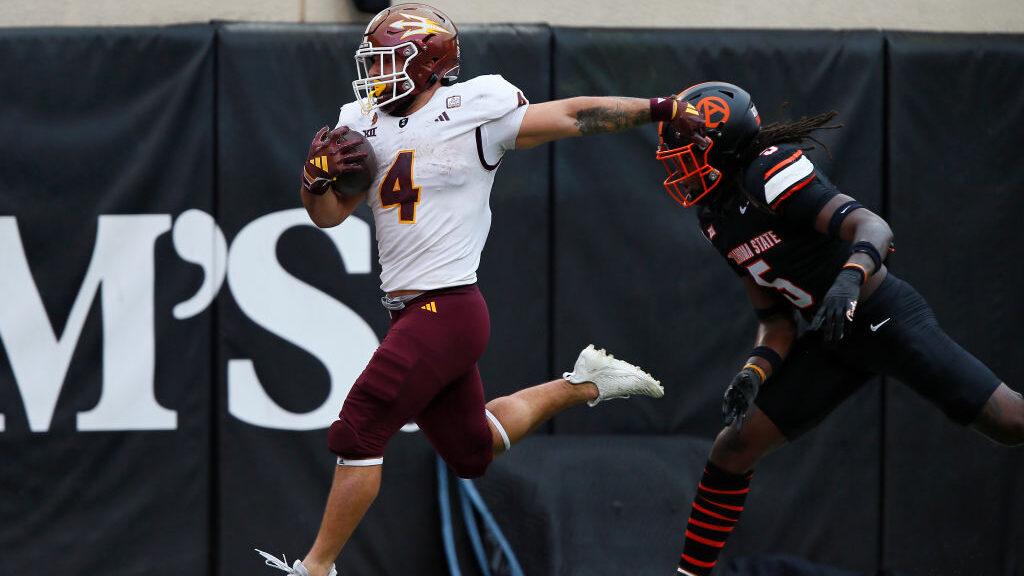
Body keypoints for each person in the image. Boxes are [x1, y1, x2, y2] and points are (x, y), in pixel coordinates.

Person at [255, 4, 709, 575]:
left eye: (388, 60)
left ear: (427, 65)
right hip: (410, 313)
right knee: (474, 451)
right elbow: (328, 215)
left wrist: (659, 109)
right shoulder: (362, 121)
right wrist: (313, 180)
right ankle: (586, 383)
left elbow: (572, 115)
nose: (375, 74)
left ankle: (315, 568)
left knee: (359, 425)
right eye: (372, 62)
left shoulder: (471, 108)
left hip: (447, 308)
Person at [651, 81, 1024, 576]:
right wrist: (753, 375)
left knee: (1010, 423)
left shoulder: (768, 170)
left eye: (685, 149)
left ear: (723, 143)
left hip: (881, 313)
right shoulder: (714, 218)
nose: (676, 163)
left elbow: (872, 227)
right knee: (733, 446)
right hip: (832, 338)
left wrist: (849, 280)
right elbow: (775, 321)